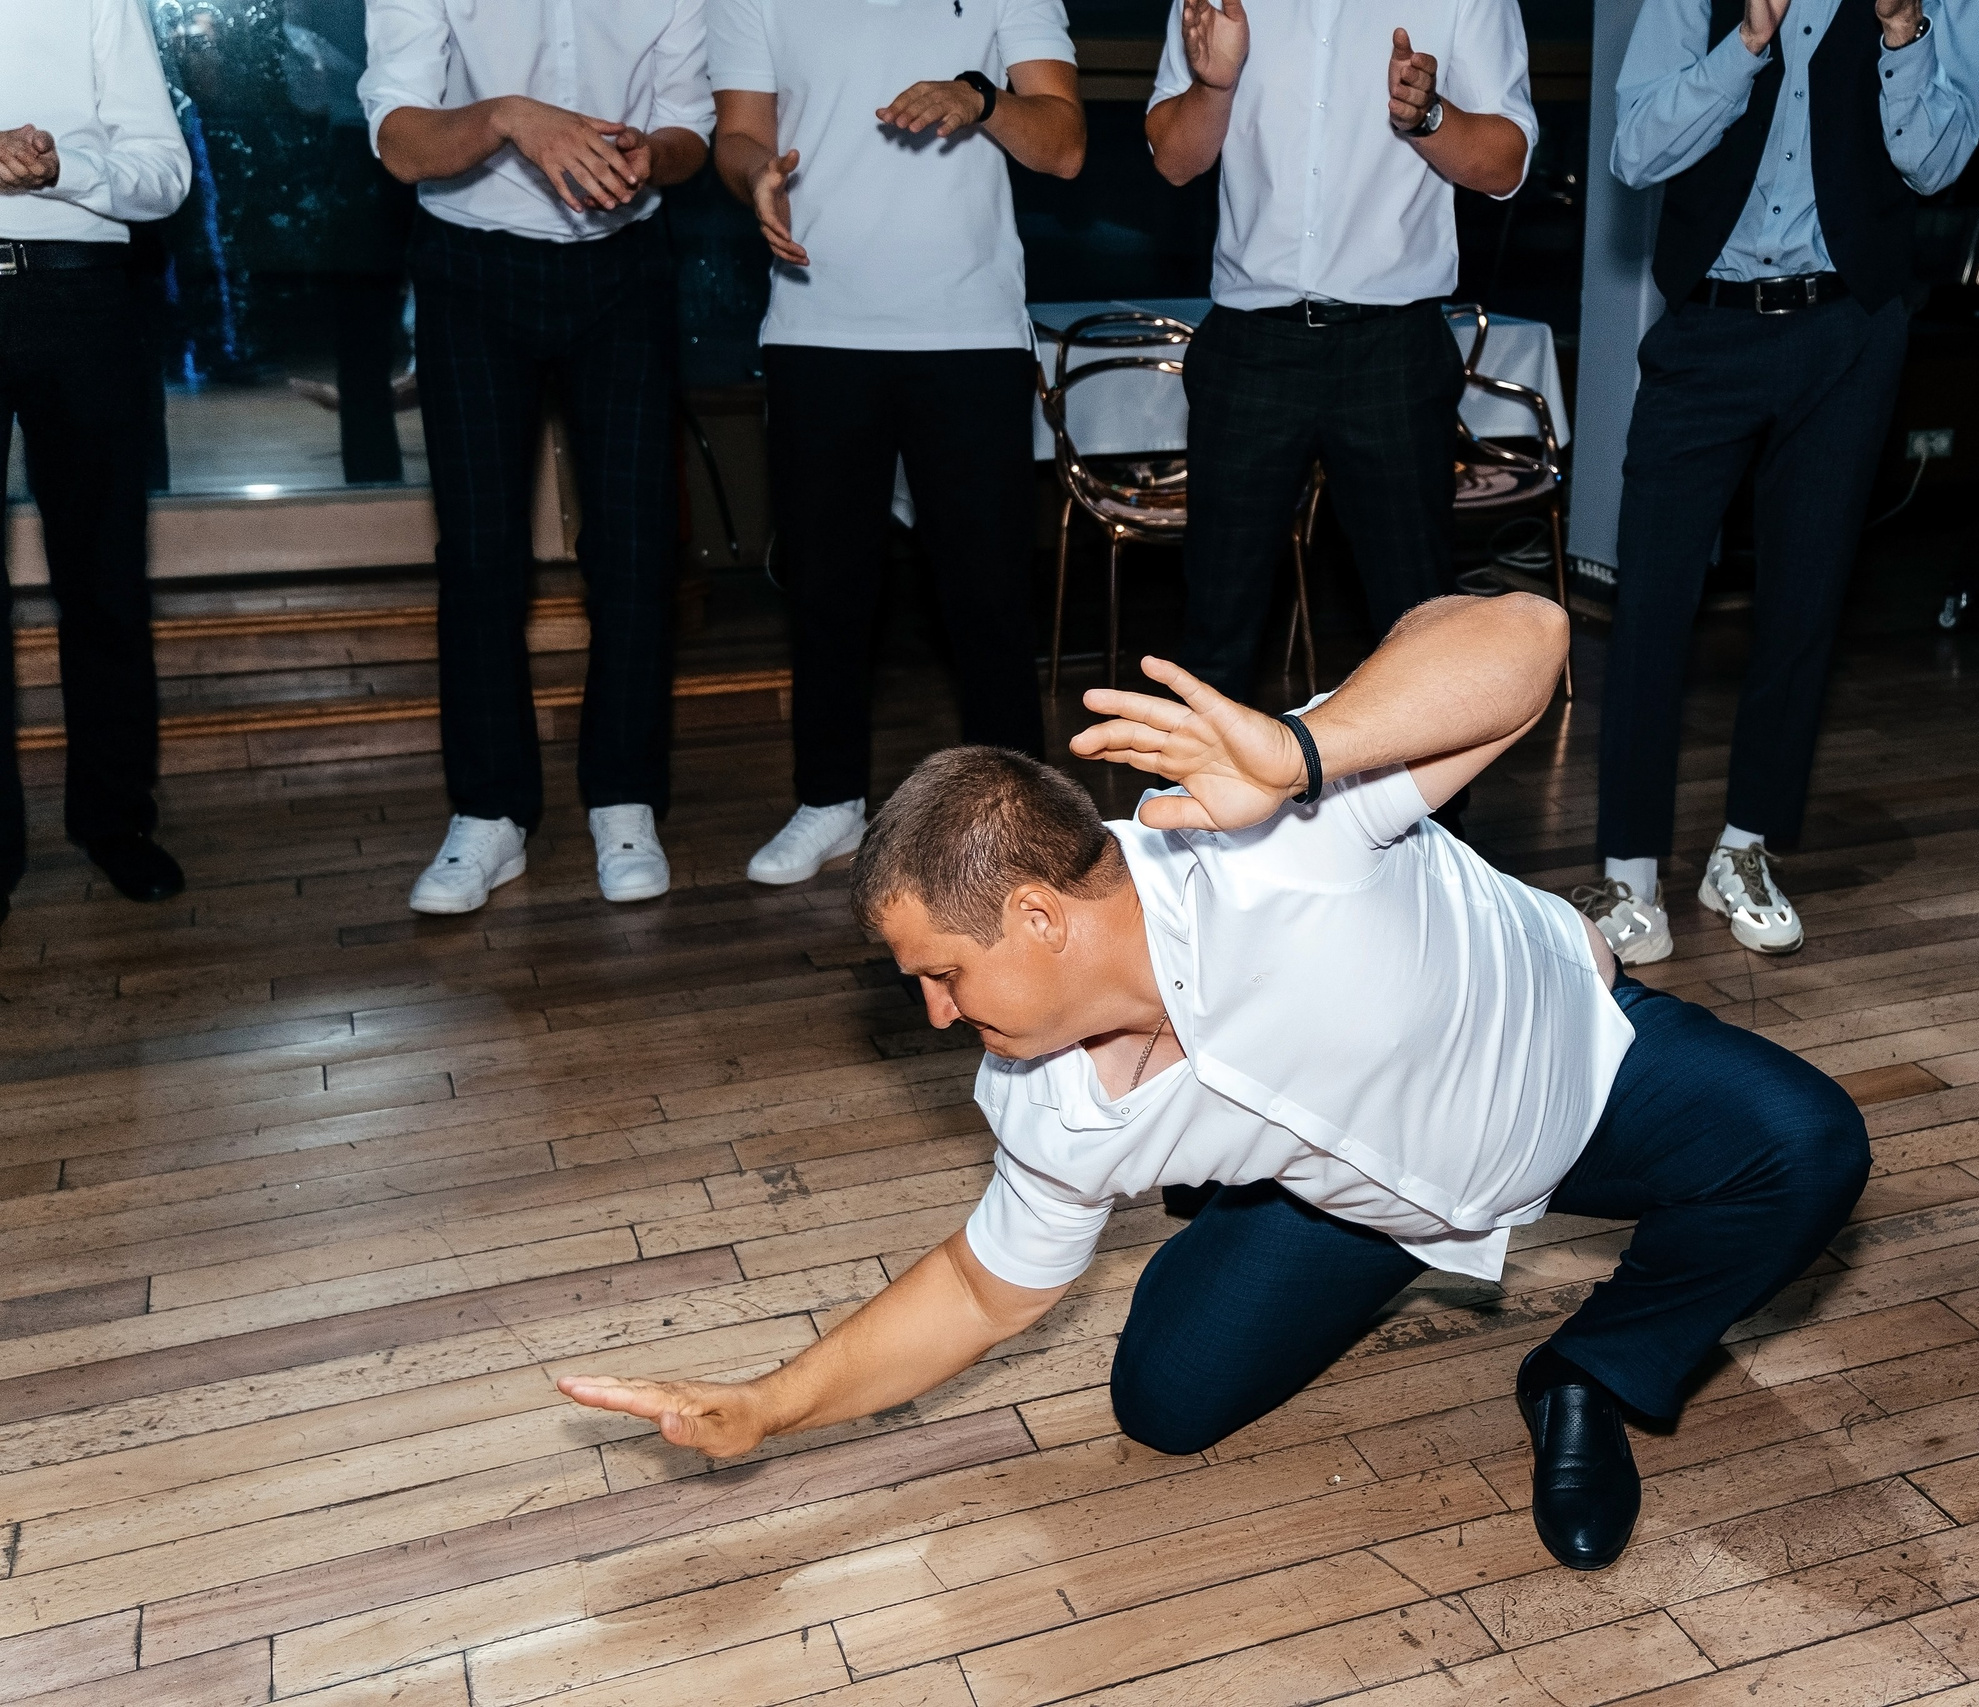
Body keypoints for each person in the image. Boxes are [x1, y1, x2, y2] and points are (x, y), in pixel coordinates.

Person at [557, 592, 1871, 1573]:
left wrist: (1311, 750)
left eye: (941, 971)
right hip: (1360, 1190)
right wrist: (768, 1402)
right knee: (1168, 1402)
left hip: (1571, 1071)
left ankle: (1591, 1374)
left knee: (1806, 1147)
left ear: (1040, 917)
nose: (934, 1009)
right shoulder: (1041, 1094)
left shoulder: (1268, 835)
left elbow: (1528, 635)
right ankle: (1249, 1203)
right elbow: (974, 1286)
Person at [1583, 0, 1979, 966]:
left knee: (1803, 601)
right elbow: (1634, 151)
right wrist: (1748, 43)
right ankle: (1628, 870)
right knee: (1649, 601)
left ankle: (1745, 847)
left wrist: (1905, 36)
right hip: (1708, 325)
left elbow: (1937, 163)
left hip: (1844, 328)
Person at [709, 0, 1082, 889]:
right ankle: (829, 801)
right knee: (827, 592)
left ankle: (1017, 820)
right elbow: (736, 132)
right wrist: (755, 176)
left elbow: (1063, 144)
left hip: (971, 333)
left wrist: (981, 101)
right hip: (816, 324)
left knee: (988, 600)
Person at [361, 0, 714, 914]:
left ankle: (624, 799)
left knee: (635, 549)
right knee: (481, 554)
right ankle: (489, 815)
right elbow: (400, 141)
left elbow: (690, 132)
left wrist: (651, 158)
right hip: (471, 267)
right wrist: (512, 115)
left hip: (623, 266)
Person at [1144, 0, 1539, 708]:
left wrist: (1431, 118)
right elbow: (1174, 161)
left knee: (1420, 624)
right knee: (1215, 632)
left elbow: (1505, 163)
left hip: (1392, 348)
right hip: (1250, 343)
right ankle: (1194, 821)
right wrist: (1213, 86)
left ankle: (1433, 821)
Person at [0, 0, 195, 927]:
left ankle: (115, 821)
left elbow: (166, 175)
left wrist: (59, 168)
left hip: (84, 303)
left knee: (106, 580)